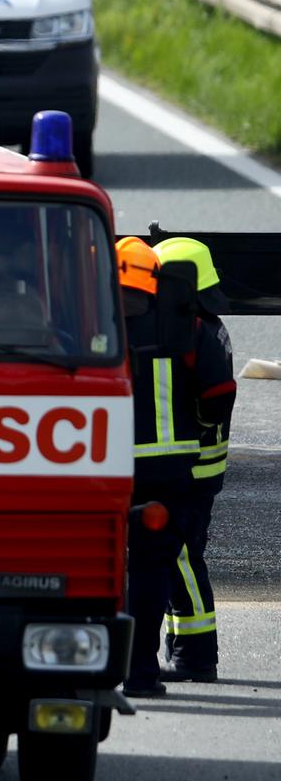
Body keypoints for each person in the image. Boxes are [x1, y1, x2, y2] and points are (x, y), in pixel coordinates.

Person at [116, 237, 197, 698]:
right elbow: (216, 393)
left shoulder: (86, 321)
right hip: (165, 476)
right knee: (150, 573)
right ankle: (141, 672)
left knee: (98, 570)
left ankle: (85, 666)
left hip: (101, 473)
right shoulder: (184, 327)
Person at [153, 237, 237, 683]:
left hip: (191, 468)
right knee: (181, 558)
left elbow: (217, 397)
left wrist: (197, 424)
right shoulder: (207, 323)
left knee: (180, 559)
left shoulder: (195, 332)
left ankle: (195, 655)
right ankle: (183, 648)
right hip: (202, 467)